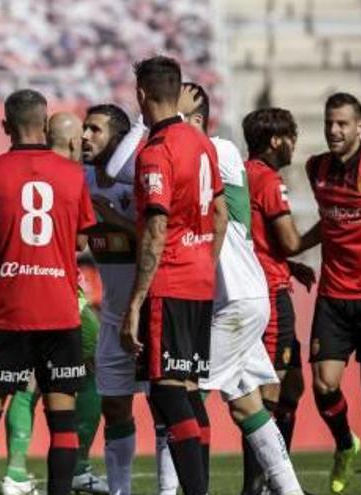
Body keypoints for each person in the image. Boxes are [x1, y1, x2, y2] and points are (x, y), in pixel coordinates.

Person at [0, 90, 96, 495]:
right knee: (62, 415)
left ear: (6, 127)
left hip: (9, 309)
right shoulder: (73, 174)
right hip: (59, 310)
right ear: (45, 123)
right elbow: (81, 244)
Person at [179, 85, 304, 495]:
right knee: (247, 403)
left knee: (179, 390)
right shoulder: (227, 163)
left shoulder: (221, 152)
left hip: (239, 298)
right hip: (246, 296)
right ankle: (286, 490)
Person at [118, 56, 227, 495]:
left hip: (169, 283)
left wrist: (136, 301)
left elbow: (157, 228)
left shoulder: (156, 152)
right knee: (185, 389)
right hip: (200, 279)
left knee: (165, 393)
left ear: (142, 95)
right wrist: (205, 261)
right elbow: (219, 213)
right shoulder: (202, 143)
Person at [0, 111, 107, 495]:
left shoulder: (23, 169)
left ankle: (14, 472)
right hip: (63, 296)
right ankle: (77, 466)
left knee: (27, 383)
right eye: (84, 134)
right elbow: (81, 242)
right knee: (95, 370)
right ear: (75, 141)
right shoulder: (71, 177)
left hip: (17, 290)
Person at [305, 93, 361, 495]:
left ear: (359, 126)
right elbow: (329, 223)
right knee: (324, 383)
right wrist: (296, 244)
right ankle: (344, 443)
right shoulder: (315, 167)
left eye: (342, 124)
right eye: (329, 123)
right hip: (333, 294)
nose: (334, 130)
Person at [242, 107, 319, 494]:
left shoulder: (241, 174)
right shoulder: (269, 181)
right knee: (267, 394)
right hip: (270, 295)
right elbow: (288, 239)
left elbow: (258, 240)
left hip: (259, 285)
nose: (295, 143)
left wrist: (290, 264)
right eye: (291, 135)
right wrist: (327, 227)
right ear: (276, 141)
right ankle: (258, 485)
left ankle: (270, 476)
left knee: (291, 386)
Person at [82, 103, 147, 495]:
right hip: (111, 314)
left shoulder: (140, 179)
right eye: (85, 128)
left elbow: (160, 238)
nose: (85, 137)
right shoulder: (81, 178)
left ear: (120, 140)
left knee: (166, 408)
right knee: (115, 407)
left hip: (152, 310)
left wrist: (110, 217)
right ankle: (120, 491)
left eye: (96, 130)